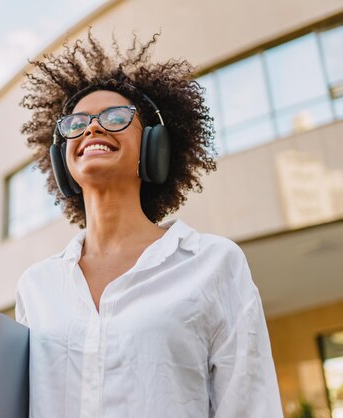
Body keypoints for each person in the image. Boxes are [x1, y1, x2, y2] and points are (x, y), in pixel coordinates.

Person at [15, 32, 283, 417]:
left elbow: (250, 407)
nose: (91, 128)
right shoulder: (35, 286)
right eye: (76, 123)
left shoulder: (214, 263)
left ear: (153, 145)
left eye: (115, 117)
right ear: (62, 159)